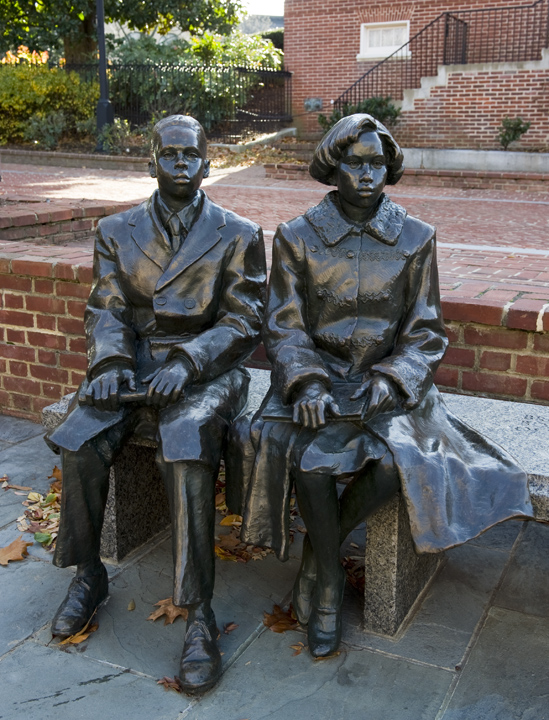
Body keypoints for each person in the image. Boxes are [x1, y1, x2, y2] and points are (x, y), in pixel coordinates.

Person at [233, 114, 532, 659]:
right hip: (318, 380)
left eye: (376, 164)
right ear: (333, 166)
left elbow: (426, 331)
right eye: (355, 162)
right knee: (312, 461)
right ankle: (329, 584)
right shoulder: (298, 238)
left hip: (387, 386)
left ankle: (316, 563)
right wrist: (304, 384)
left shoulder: (416, 239)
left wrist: (395, 378)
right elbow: (284, 326)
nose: (367, 174)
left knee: (398, 462)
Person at [46, 115, 266, 694]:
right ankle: (89, 575)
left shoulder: (238, 232)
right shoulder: (116, 229)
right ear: (150, 163)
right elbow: (107, 309)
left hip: (207, 369)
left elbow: (246, 322)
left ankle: (198, 614)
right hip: (133, 364)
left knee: (187, 445)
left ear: (207, 163)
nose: (180, 165)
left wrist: (190, 362)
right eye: (168, 155)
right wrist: (111, 364)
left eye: (190, 155)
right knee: (80, 440)